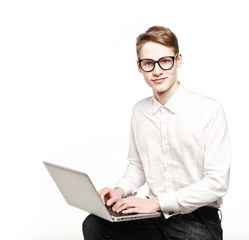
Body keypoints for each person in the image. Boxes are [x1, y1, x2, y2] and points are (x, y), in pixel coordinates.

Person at [82, 26, 231, 240]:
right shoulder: (139, 111)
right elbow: (137, 165)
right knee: (96, 225)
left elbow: (217, 183)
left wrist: (157, 202)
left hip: (196, 217)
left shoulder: (209, 110)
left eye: (165, 61)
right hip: (153, 216)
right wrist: (120, 191)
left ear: (178, 60)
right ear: (139, 66)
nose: (157, 70)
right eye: (149, 63)